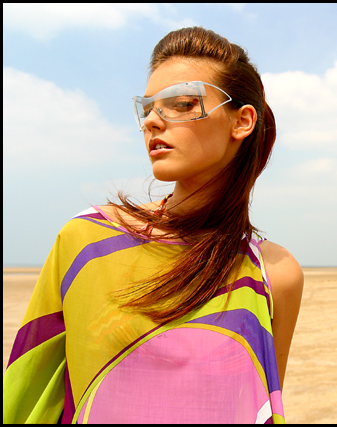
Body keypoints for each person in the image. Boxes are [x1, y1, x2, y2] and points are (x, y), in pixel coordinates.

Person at [3, 26, 303, 424]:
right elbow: (28, 394)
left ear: (242, 121)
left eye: (180, 104)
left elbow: (256, 407)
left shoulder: (273, 274)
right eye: (147, 108)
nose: (153, 122)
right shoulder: (87, 240)